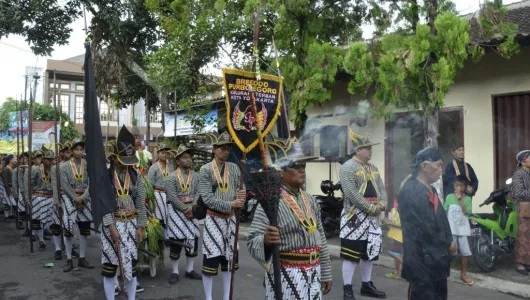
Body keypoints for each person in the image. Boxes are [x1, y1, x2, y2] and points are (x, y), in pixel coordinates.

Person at [247, 152, 333, 299]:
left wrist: (326, 272)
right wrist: (266, 240)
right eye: (295, 166)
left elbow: (321, 236)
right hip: (287, 273)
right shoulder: (270, 202)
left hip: (315, 271)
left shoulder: (310, 199)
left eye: (303, 166)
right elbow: (252, 241)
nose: (302, 170)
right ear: (281, 172)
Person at [399, 148, 456, 300]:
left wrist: (450, 240)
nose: (440, 170)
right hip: (421, 260)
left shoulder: (432, 190)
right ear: (424, 166)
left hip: (437, 259)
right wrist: (446, 243)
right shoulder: (410, 191)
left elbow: (442, 220)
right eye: (438, 165)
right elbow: (422, 228)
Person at [101, 126, 147, 300]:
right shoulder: (105, 176)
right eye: (122, 160)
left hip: (131, 224)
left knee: (131, 267)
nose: (126, 164)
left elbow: (140, 203)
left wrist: (141, 225)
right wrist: (111, 227)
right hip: (111, 225)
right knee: (110, 267)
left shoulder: (137, 176)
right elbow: (104, 205)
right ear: (115, 157)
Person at [198, 132, 246, 300]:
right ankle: (209, 298)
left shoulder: (234, 168)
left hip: (231, 220)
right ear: (214, 149)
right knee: (210, 262)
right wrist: (231, 204)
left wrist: (241, 198)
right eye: (222, 148)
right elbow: (208, 199)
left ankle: (226, 297)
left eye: (228, 149)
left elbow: (242, 189)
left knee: (229, 263)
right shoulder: (205, 170)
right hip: (213, 220)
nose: (225, 152)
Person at [340, 129, 386, 300]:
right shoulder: (347, 167)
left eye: (370, 147)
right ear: (358, 150)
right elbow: (351, 194)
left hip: (373, 218)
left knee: (369, 252)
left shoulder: (373, 167)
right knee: (351, 255)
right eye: (367, 148)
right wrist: (370, 207)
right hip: (354, 217)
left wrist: (382, 204)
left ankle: (366, 285)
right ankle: (347, 289)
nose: (370, 150)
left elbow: (381, 188)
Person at [165, 144, 202, 284]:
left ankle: (189, 270)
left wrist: (192, 209)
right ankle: (175, 271)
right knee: (176, 242)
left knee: (193, 240)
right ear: (178, 161)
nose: (188, 160)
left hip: (192, 211)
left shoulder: (196, 176)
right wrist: (185, 209)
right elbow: (172, 196)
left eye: (190, 158)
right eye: (185, 158)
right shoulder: (171, 177)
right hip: (176, 212)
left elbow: (199, 193)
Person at [59, 138, 94, 271]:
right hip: (69, 198)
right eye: (76, 149)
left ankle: (82, 258)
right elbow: (64, 185)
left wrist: (83, 198)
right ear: (72, 151)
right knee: (68, 230)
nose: (79, 152)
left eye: (81, 149)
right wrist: (76, 198)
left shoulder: (88, 165)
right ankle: (69, 259)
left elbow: (92, 183)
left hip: (85, 198)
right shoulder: (64, 166)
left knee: (84, 230)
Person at [443, 175, 473, 285]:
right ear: (454, 186)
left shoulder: (468, 199)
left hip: (463, 231)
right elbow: (445, 212)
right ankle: (444, 272)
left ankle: (463, 274)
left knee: (465, 252)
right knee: (449, 252)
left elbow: (466, 212)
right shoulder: (449, 197)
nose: (458, 188)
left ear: (465, 187)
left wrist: (460, 199)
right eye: (457, 185)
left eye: (461, 186)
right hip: (451, 230)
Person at [27, 149, 56, 251]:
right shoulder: (36, 169)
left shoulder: (55, 169)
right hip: (38, 197)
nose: (50, 161)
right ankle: (41, 240)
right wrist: (28, 198)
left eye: (52, 159)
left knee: (51, 220)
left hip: (50, 197)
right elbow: (29, 184)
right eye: (48, 159)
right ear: (44, 159)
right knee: (39, 220)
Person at [511, 150, 530, 275]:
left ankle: (527, 262)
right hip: (524, 209)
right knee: (523, 236)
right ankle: (519, 263)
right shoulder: (518, 174)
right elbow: (518, 193)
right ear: (523, 161)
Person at [147, 143, 173, 231]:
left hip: (169, 195)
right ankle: (159, 237)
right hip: (157, 195)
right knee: (159, 219)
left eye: (167, 153)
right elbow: (149, 184)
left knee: (169, 218)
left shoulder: (171, 167)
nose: (165, 155)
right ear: (158, 154)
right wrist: (150, 199)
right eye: (163, 153)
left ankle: (167, 238)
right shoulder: (153, 167)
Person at [13, 152, 29, 230]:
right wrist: (15, 195)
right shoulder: (16, 170)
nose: (24, 160)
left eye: (26, 158)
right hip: (20, 191)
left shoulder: (29, 169)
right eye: (23, 158)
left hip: (28, 190)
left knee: (28, 209)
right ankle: (20, 222)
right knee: (21, 208)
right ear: (19, 159)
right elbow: (14, 183)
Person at [2, 154, 17, 219]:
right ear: (10, 160)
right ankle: (6, 216)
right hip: (8, 188)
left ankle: (10, 214)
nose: (16, 160)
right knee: (7, 202)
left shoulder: (13, 168)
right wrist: (8, 191)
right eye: (14, 158)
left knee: (10, 202)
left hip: (12, 188)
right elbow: (5, 182)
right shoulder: (6, 169)